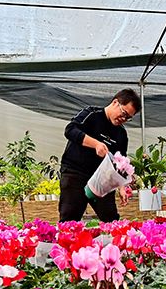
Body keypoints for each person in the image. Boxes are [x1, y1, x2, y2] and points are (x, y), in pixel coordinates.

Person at [58, 89, 141, 223]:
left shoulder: (121, 134)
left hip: (102, 179)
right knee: (69, 219)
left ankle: (117, 243)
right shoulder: (91, 114)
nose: (123, 119)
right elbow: (70, 130)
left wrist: (121, 187)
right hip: (75, 173)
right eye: (123, 113)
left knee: (111, 219)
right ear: (115, 102)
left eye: (128, 118)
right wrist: (96, 144)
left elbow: (120, 162)